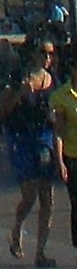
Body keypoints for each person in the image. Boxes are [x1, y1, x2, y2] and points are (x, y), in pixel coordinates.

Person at [0, 36, 59, 266]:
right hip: (21, 139)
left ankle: (40, 252)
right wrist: (19, 95)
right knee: (30, 194)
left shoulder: (53, 80)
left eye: (51, 54)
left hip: (44, 138)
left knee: (47, 196)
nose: (47, 58)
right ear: (33, 54)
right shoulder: (18, 79)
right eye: (43, 53)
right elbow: (2, 111)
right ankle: (17, 229)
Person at [50, 53, 77, 255]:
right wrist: (60, 162)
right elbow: (58, 131)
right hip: (73, 156)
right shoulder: (61, 96)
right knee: (76, 204)